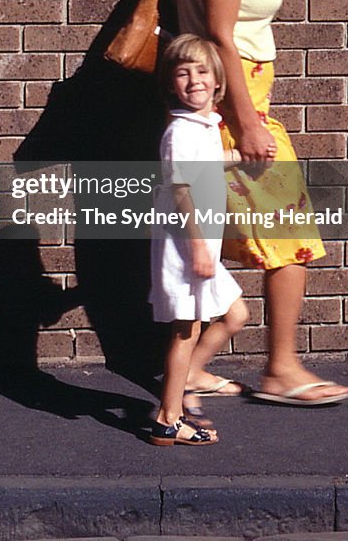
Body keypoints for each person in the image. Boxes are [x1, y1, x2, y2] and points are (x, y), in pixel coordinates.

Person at [175, 0, 348, 406]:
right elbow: (221, 37)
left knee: (242, 234)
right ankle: (280, 369)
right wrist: (248, 124)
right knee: (291, 235)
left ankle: (195, 368)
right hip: (239, 102)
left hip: (240, 99)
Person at [149, 34, 249, 446]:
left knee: (234, 314)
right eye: (182, 73)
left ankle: (188, 377)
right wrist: (197, 249)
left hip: (200, 246)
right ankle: (168, 418)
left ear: (218, 79)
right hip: (187, 246)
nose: (193, 80)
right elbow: (181, 190)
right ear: (172, 83)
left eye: (202, 71)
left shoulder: (204, 126)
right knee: (185, 331)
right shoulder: (180, 132)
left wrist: (236, 158)